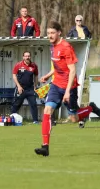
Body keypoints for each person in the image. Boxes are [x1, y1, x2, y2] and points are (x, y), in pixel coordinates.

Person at [34, 21, 80, 157]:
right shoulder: (52, 46)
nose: (50, 35)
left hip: (69, 87)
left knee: (74, 118)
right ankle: (45, 146)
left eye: (52, 33)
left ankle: (90, 109)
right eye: (48, 33)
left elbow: (72, 70)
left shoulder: (66, 47)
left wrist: (67, 91)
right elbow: (57, 67)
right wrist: (48, 76)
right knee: (47, 111)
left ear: (59, 32)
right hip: (56, 85)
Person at [11, 51, 39, 124]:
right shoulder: (18, 65)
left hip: (30, 89)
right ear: (23, 57)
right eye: (26, 56)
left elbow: (36, 76)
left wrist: (35, 86)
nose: (27, 57)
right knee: (17, 104)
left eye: (28, 56)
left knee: (33, 104)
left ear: (30, 57)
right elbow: (14, 75)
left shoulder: (34, 66)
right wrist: (18, 86)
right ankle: (12, 119)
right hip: (21, 88)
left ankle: (35, 121)